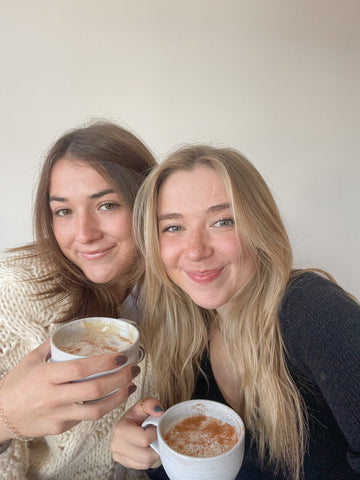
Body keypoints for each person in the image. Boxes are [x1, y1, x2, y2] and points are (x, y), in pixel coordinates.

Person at [111, 145, 360, 479]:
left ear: (260, 227)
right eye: (173, 227)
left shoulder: (308, 309)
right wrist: (149, 451)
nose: (196, 250)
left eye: (222, 222)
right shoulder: (189, 332)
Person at [0, 121, 158, 480]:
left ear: (145, 204)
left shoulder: (184, 295)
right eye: (64, 211)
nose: (84, 234)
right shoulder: (15, 293)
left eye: (106, 205)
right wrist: (4, 417)